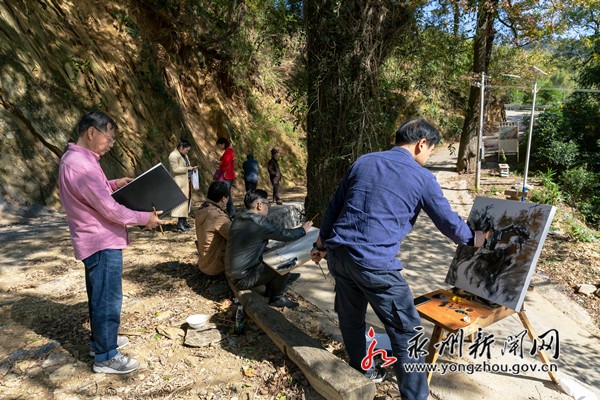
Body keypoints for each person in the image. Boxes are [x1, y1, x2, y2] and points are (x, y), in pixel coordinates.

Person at [310, 118, 486, 398]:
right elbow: (446, 220)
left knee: (350, 318)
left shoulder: (364, 162)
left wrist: (320, 244)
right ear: (421, 143)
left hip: (340, 257)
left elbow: (335, 206)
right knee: (407, 333)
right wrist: (473, 238)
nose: (427, 158)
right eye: (430, 151)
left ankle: (361, 369)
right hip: (375, 265)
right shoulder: (421, 177)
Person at [58, 111, 163, 374]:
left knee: (99, 294)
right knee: (107, 299)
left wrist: (115, 183)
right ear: (92, 132)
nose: (110, 144)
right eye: (109, 138)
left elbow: (97, 191)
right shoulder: (81, 165)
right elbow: (109, 210)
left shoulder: (78, 160)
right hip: (101, 240)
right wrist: (143, 219)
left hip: (95, 240)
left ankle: (100, 342)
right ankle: (106, 357)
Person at [225, 189, 311, 309]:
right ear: (260, 205)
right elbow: (285, 234)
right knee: (287, 261)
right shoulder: (259, 223)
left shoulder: (239, 217)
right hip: (243, 279)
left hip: (233, 273)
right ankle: (277, 297)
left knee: (271, 253)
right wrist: (303, 229)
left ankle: (275, 284)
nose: (268, 207)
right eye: (267, 204)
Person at [195, 181, 231, 276]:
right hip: (216, 267)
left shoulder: (203, 209)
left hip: (204, 263)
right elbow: (236, 237)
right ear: (223, 199)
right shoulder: (218, 216)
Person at [169, 139, 197, 232]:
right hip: (179, 182)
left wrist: (191, 168)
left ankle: (184, 221)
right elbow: (175, 169)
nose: (187, 152)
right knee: (181, 202)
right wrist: (187, 168)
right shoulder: (173, 155)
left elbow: (186, 165)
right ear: (181, 148)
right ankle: (180, 223)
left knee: (187, 201)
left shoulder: (184, 155)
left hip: (186, 181)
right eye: (187, 150)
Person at [216, 137, 236, 218]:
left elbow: (226, 162)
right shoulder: (229, 151)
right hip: (228, 175)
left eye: (219, 145)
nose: (219, 148)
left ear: (223, 144)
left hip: (227, 175)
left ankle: (231, 212)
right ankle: (230, 211)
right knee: (227, 194)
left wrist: (217, 161)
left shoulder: (228, 151)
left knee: (226, 194)